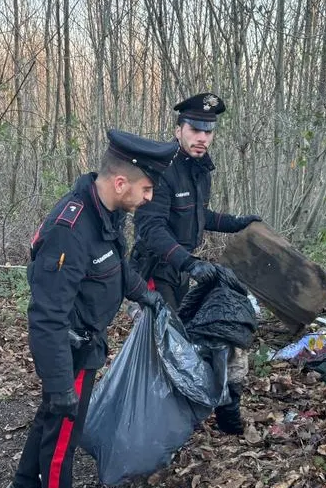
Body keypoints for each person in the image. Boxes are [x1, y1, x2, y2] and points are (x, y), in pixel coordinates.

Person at [12, 129, 177, 488]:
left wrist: (144, 294)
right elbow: (47, 315)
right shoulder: (70, 229)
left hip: (87, 344)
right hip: (70, 351)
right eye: (147, 189)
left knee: (51, 422)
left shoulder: (106, 212)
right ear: (120, 183)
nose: (149, 197)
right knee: (62, 441)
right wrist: (60, 384)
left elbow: (115, 265)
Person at [131, 92, 261, 436]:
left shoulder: (200, 169)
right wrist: (189, 263)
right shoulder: (161, 169)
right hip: (154, 272)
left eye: (208, 131)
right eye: (195, 129)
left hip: (181, 271)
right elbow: (151, 229)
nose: (202, 137)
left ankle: (201, 410)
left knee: (193, 339)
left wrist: (236, 223)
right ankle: (150, 423)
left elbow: (199, 215)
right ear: (179, 130)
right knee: (163, 345)